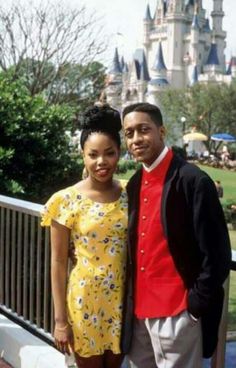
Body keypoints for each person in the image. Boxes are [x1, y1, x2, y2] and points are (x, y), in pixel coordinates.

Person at [121, 102, 231, 368]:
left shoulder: (193, 180)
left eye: (143, 130)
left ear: (162, 131)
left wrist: (193, 307)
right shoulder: (135, 183)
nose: (136, 139)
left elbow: (217, 254)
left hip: (178, 314)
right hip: (139, 316)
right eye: (129, 133)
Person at [41, 104, 128, 368]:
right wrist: (59, 321)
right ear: (83, 155)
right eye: (93, 155)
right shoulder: (64, 201)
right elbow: (57, 263)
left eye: (109, 153)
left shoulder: (130, 193)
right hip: (84, 303)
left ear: (119, 153)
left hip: (123, 304)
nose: (101, 162)